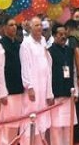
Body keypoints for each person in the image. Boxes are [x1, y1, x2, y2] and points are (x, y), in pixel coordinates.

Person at [20, 16, 54, 144]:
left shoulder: (43, 41)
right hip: (33, 86)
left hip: (44, 86)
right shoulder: (26, 44)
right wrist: (29, 86)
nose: (39, 28)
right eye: (36, 25)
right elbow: (25, 66)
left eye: (40, 25)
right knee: (30, 116)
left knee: (42, 118)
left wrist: (49, 92)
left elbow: (47, 65)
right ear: (30, 28)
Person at [0, 18, 24, 145]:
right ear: (4, 27)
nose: (14, 27)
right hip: (8, 92)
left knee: (16, 124)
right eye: (11, 25)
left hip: (19, 90)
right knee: (7, 125)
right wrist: (2, 93)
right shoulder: (0, 45)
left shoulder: (18, 44)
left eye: (15, 25)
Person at [48, 24, 78, 145]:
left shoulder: (70, 51)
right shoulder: (49, 51)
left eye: (65, 34)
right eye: (60, 34)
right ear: (54, 35)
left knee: (68, 126)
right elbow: (48, 74)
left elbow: (74, 71)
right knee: (56, 127)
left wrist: (76, 91)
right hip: (56, 94)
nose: (63, 37)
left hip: (69, 93)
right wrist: (49, 94)